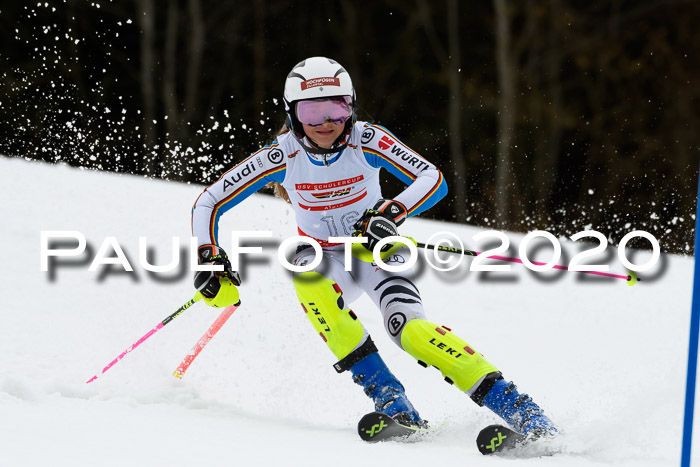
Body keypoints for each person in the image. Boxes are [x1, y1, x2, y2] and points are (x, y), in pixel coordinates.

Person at [190, 56, 557, 437]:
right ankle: (391, 399)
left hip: (375, 251)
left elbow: (432, 178)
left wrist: (391, 212)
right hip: (326, 257)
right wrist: (208, 258)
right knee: (304, 268)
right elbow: (209, 201)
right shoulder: (282, 156)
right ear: (292, 113)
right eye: (312, 112)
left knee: (409, 331)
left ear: (351, 105)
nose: (326, 123)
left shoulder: (367, 139)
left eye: (337, 107)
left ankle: (520, 409)